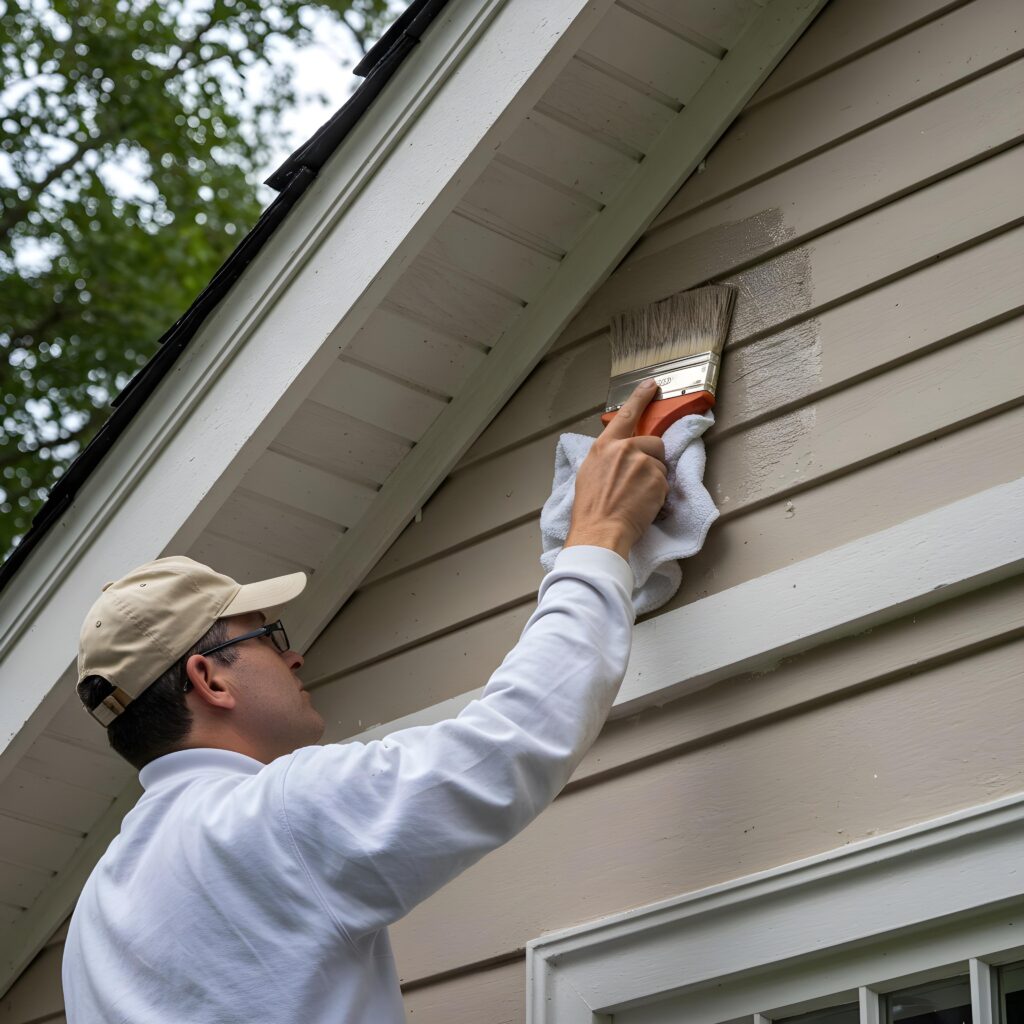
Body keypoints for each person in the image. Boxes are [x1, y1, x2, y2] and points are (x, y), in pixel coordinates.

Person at [63, 381, 669, 1023]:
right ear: (211, 680)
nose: (295, 658)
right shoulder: (268, 817)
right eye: (271, 637)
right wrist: (600, 535)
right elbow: (511, 743)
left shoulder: (93, 924)